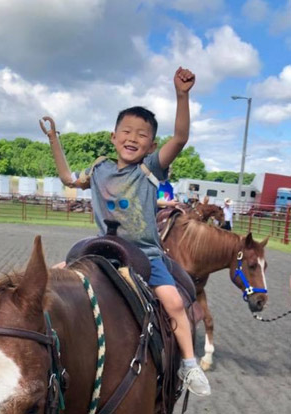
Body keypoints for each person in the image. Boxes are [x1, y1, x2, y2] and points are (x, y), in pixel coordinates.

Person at [40, 67, 210, 397]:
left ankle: (189, 364)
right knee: (52, 278)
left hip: (144, 254)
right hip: (101, 248)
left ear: (151, 145)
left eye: (142, 134)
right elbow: (66, 178)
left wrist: (182, 96)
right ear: (113, 137)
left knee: (174, 302)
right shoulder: (98, 167)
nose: (133, 138)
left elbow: (181, 138)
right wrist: (53, 139)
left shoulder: (150, 169)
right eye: (126, 131)